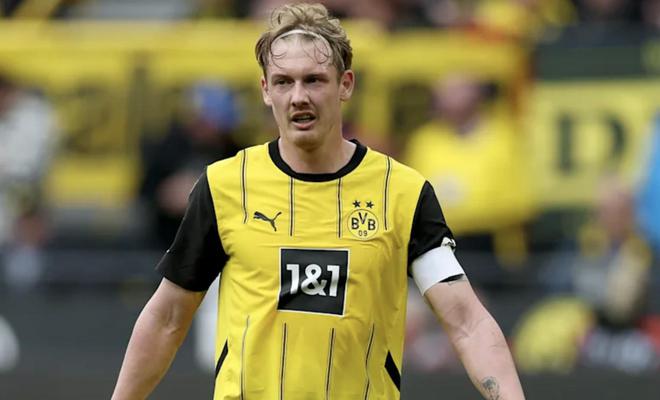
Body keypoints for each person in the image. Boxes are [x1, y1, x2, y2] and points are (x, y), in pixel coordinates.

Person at [112, 3, 525, 399]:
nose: (298, 96)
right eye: (283, 82)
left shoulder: (402, 192)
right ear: (265, 90)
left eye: (314, 80)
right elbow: (167, 318)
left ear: (345, 85)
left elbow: (467, 320)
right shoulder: (224, 186)